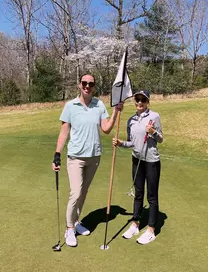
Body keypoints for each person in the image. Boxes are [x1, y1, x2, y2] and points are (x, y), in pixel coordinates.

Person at [52, 73, 123, 247]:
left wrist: (115, 112)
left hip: (94, 157)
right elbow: (64, 132)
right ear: (79, 85)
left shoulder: (99, 104)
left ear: (94, 86)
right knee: (75, 193)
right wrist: (57, 154)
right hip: (75, 157)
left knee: (83, 193)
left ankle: (76, 222)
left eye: (91, 84)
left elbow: (106, 129)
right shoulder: (70, 106)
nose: (87, 86)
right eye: (84, 83)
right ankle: (69, 228)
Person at [113, 90, 163, 245]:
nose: (140, 103)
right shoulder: (131, 120)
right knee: (138, 193)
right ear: (134, 101)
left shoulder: (154, 117)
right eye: (137, 100)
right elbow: (132, 143)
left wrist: (153, 131)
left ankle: (151, 230)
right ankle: (135, 223)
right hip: (137, 160)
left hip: (151, 161)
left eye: (143, 100)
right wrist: (121, 143)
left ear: (147, 102)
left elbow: (160, 139)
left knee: (152, 196)